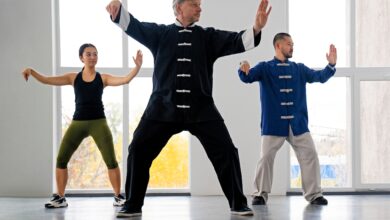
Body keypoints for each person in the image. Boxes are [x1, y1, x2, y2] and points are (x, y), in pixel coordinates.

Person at [106, 0, 271, 217]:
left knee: (227, 152)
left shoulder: (208, 37)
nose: (200, 8)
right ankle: (132, 205)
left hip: (202, 109)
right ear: (178, 8)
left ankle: (238, 203)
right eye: (194, 4)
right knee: (138, 150)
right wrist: (118, 12)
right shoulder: (160, 34)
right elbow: (135, 26)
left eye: (199, 4)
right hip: (162, 109)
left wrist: (256, 28)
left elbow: (236, 40)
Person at [22, 43, 143, 208]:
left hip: (98, 123)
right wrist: (32, 71)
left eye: (95, 54)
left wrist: (136, 68)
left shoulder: (103, 78)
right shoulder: (73, 77)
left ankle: (118, 196)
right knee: (61, 159)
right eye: (88, 54)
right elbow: (48, 80)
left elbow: (125, 80)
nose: (92, 57)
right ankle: (60, 198)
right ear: (81, 58)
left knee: (111, 161)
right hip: (78, 122)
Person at [238, 32, 337, 206]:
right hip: (273, 125)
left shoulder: (299, 68)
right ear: (278, 46)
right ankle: (260, 194)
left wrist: (331, 65)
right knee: (266, 157)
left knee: (310, 155)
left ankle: (314, 194)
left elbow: (319, 77)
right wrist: (243, 66)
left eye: (293, 44)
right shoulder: (265, 68)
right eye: (289, 44)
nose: (292, 47)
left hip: (298, 124)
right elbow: (247, 77)